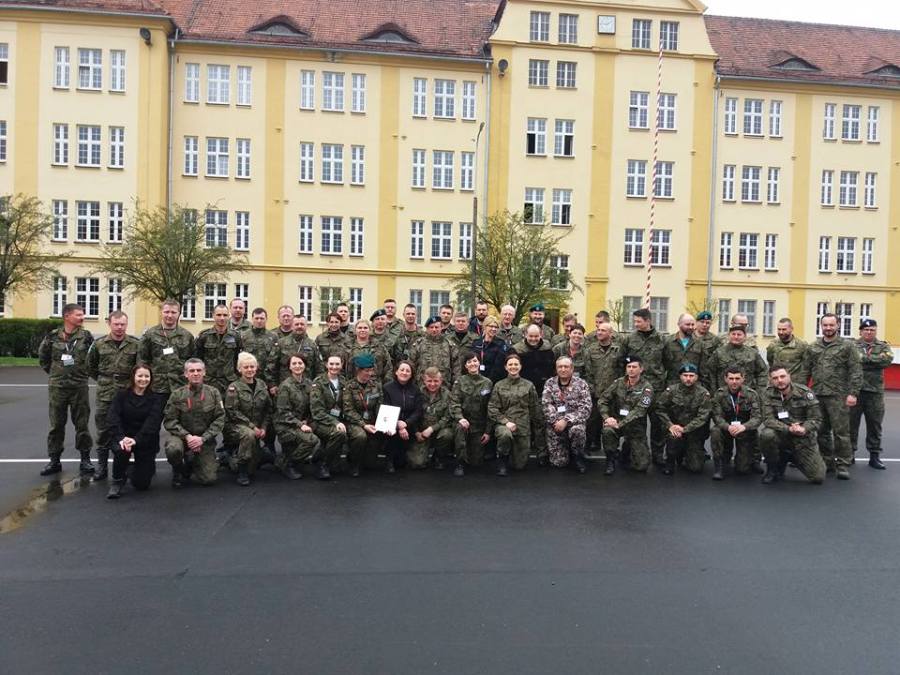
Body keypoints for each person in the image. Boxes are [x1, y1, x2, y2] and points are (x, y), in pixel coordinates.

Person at [38, 303, 95, 476]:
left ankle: (85, 460)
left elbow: (93, 359)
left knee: (82, 425)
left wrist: (83, 373)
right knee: (56, 425)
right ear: (67, 316)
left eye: (82, 314)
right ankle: (54, 460)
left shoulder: (86, 336)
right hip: (58, 388)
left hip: (79, 387)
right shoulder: (52, 336)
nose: (82, 317)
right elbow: (44, 358)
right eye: (78, 314)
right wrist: (56, 374)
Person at [807, 313, 862, 480]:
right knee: (821, 431)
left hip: (839, 395)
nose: (828, 328)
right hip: (818, 395)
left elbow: (855, 371)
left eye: (831, 325)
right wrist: (802, 391)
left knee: (841, 432)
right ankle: (827, 461)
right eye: (825, 325)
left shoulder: (847, 346)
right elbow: (806, 370)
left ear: (838, 325)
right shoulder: (813, 347)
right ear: (821, 326)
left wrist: (853, 393)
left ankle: (843, 464)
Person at [86, 310, 139, 481]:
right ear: (109, 324)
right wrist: (104, 380)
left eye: (123, 324)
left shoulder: (135, 344)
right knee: (103, 430)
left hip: (126, 393)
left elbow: (139, 368)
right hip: (105, 394)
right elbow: (90, 367)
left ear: (127, 324)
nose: (119, 327)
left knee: (127, 428)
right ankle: (102, 466)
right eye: (116, 324)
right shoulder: (99, 344)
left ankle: (124, 465)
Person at [163, 359, 226, 487]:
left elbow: (220, 419)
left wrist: (202, 439)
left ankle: (193, 461)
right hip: (181, 438)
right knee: (173, 449)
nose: (196, 373)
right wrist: (187, 437)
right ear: (186, 374)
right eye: (192, 371)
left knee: (209, 479)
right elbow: (170, 420)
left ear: (204, 372)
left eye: (199, 370)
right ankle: (178, 469)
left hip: (204, 440)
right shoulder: (177, 395)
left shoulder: (213, 393)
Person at [759, 364, 825, 485]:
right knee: (767, 434)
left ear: (789, 376)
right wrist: (788, 428)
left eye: (782, 376)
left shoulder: (805, 393)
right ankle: (772, 469)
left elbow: (816, 419)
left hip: (802, 438)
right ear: (770, 380)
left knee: (818, 477)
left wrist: (804, 428)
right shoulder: (767, 394)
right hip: (781, 435)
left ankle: (792, 456)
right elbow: (767, 419)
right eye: (775, 378)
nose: (780, 380)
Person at [105, 365, 164, 499]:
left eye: (147, 376)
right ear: (133, 377)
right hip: (124, 438)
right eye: (140, 376)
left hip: (144, 440)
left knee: (142, 484)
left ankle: (130, 468)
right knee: (122, 450)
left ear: (151, 378)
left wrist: (136, 439)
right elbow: (113, 418)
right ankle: (117, 480)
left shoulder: (155, 399)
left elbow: (152, 423)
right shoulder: (121, 395)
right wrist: (121, 438)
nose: (143, 379)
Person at [621, 308, 667, 467]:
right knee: (634, 420)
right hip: (635, 387)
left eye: (638, 321)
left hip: (656, 387)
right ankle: (628, 450)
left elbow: (668, 362)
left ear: (648, 321)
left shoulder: (661, 339)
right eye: (634, 321)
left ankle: (658, 454)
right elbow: (622, 361)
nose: (635, 324)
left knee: (657, 423)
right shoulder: (629, 339)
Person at [598, 355, 654, 475]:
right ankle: (610, 460)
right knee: (607, 431)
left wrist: (620, 424)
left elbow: (640, 410)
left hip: (635, 426)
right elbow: (603, 400)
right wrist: (607, 418)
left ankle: (627, 448)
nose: (631, 369)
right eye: (629, 367)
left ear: (641, 369)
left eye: (634, 367)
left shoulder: (647, 388)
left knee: (642, 466)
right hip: (616, 421)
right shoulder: (618, 382)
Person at [224, 352, 272, 486]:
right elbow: (232, 412)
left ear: (256, 368)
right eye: (246, 367)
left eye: (252, 366)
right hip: (236, 426)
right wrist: (253, 427)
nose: (249, 370)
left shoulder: (262, 385)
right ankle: (241, 469)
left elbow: (268, 409)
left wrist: (264, 427)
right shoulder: (234, 388)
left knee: (256, 465)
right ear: (239, 369)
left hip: (257, 427)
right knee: (249, 435)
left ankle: (262, 455)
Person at [655, 363, 713, 476]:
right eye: (685, 375)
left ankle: (686, 453)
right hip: (675, 429)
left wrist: (685, 429)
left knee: (696, 468)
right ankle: (670, 462)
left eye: (691, 376)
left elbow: (702, 417)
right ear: (680, 376)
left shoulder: (703, 393)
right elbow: (660, 409)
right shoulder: (671, 391)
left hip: (693, 431)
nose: (688, 379)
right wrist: (670, 425)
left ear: (696, 377)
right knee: (673, 437)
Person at [488, 353, 541, 476]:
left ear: (520, 366)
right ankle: (502, 460)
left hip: (522, 427)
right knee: (505, 435)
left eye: (516, 364)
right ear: (506, 367)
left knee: (519, 466)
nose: (513, 367)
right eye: (510, 364)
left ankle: (514, 454)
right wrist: (505, 422)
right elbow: (492, 408)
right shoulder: (499, 385)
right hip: (504, 424)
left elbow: (534, 409)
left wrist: (537, 431)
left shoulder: (529, 385)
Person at [851, 318, 893, 470]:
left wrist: (864, 359)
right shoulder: (852, 345)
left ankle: (874, 457)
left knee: (874, 426)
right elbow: (852, 360)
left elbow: (887, 360)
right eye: (866, 330)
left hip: (875, 393)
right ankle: (849, 455)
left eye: (872, 330)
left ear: (875, 331)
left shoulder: (883, 346)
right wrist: (875, 360)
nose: (869, 332)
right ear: (861, 331)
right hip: (855, 392)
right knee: (851, 425)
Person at [709, 366, 762, 480]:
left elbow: (757, 417)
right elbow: (717, 416)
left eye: (737, 378)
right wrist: (728, 427)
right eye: (731, 378)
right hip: (726, 429)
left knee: (742, 470)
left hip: (744, 430)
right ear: (725, 379)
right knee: (715, 431)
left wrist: (744, 426)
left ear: (743, 379)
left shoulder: (751, 394)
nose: (734, 381)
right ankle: (719, 465)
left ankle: (753, 459)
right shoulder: (719, 394)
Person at [274, 354, 321, 481]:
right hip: (286, 425)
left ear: (304, 365)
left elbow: (312, 406)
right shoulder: (285, 386)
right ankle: (288, 464)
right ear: (289, 367)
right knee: (311, 440)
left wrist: (306, 420)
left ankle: (320, 461)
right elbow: (283, 412)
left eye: (300, 363)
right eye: (294, 363)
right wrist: (300, 424)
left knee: (325, 430)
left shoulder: (309, 383)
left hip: (302, 421)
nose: (297, 366)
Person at [139, 298, 195, 405]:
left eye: (173, 312)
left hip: (180, 387)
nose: (169, 315)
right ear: (161, 312)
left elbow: (192, 362)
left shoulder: (187, 336)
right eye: (166, 312)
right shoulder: (150, 335)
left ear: (179, 314)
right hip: (156, 387)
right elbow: (142, 360)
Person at [542, 356, 592, 473]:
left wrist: (566, 420)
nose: (563, 369)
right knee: (559, 463)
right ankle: (564, 450)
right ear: (556, 369)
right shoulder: (549, 383)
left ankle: (577, 455)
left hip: (574, 423)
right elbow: (546, 405)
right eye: (560, 367)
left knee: (577, 430)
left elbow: (586, 408)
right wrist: (556, 421)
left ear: (572, 368)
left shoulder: (581, 384)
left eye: (566, 366)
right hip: (555, 425)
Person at [449, 351, 493, 476]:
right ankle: (460, 463)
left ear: (479, 363)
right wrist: (460, 418)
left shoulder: (487, 383)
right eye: (469, 362)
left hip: (479, 425)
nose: (472, 364)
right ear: (465, 366)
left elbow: (491, 408)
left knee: (476, 462)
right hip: (464, 423)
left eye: (475, 361)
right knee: (460, 429)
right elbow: (454, 403)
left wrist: (488, 431)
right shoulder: (460, 382)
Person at [342, 353, 384, 476]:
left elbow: (380, 406)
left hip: (372, 420)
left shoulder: (376, 385)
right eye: (366, 371)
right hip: (355, 422)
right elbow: (348, 410)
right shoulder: (349, 387)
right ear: (358, 370)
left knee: (370, 464)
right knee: (360, 436)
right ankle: (353, 463)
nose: (370, 373)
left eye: (371, 370)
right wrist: (363, 425)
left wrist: (383, 423)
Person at [309, 355, 349, 479]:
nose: (334, 367)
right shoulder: (318, 382)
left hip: (339, 419)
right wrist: (335, 423)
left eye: (337, 364)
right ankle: (323, 465)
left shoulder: (344, 382)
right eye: (331, 364)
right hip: (320, 421)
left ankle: (321, 455)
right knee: (339, 433)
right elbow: (317, 411)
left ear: (341, 365)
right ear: (326, 365)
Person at [381, 361, 424, 472]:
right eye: (402, 370)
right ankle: (389, 460)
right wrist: (398, 424)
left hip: (409, 426)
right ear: (396, 372)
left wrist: (406, 423)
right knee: (391, 433)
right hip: (391, 425)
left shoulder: (416, 390)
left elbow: (418, 411)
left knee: (404, 463)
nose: (404, 373)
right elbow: (386, 409)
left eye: (408, 371)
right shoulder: (387, 388)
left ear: (411, 374)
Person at [409, 367, 453, 469]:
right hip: (421, 433)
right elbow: (412, 414)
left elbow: (448, 417)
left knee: (447, 435)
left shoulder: (447, 395)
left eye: (436, 381)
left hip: (439, 431)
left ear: (441, 381)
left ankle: (438, 456)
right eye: (429, 381)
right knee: (416, 463)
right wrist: (416, 432)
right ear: (424, 381)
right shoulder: (417, 393)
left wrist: (432, 428)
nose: (432, 384)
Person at [194, 303, 243, 394]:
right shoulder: (204, 336)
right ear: (213, 316)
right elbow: (198, 359)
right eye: (219, 315)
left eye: (225, 315)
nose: (222, 318)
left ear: (229, 316)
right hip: (209, 382)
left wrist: (236, 376)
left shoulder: (235, 336)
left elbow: (238, 359)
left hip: (229, 382)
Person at [267, 315, 322, 391]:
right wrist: (272, 385)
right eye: (296, 324)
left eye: (302, 324)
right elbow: (271, 366)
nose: (299, 326)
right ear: (292, 326)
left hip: (307, 388)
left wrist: (316, 385)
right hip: (285, 388)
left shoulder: (312, 345)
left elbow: (319, 368)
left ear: (306, 326)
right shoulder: (281, 343)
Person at [409, 316, 459, 387]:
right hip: (422, 386)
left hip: (444, 386)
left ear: (441, 327)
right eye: (431, 327)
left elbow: (456, 367)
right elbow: (411, 364)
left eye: (436, 327)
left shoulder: (449, 345)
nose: (434, 329)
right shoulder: (419, 344)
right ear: (427, 329)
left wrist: (455, 385)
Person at [663, 313, 707, 387]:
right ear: (679, 324)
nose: (691, 327)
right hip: (673, 385)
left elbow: (703, 369)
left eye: (692, 324)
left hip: (693, 386)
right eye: (687, 324)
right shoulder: (668, 342)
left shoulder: (700, 344)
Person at [345, 318, 393, 384]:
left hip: (375, 385)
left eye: (365, 328)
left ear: (370, 330)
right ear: (355, 330)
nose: (362, 330)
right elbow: (342, 368)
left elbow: (388, 367)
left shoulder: (379, 346)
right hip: (353, 385)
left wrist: (386, 384)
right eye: (360, 328)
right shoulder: (347, 347)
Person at [766, 318, 809, 385]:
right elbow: (770, 361)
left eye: (784, 329)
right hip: (778, 383)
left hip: (795, 384)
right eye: (779, 329)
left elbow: (807, 365)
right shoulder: (773, 345)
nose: (781, 332)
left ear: (791, 329)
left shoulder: (802, 345)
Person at [471, 316, 509, 383]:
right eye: (491, 326)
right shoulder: (476, 342)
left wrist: (488, 382)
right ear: (485, 327)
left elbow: (498, 367)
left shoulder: (501, 344)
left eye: (496, 327)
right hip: (476, 380)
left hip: (493, 380)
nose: (494, 329)